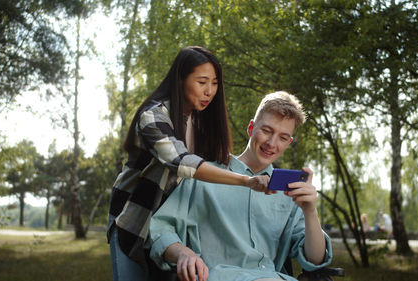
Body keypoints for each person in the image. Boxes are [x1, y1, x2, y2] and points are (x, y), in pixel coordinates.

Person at [107, 46, 270, 281]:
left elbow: (218, 167)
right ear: (180, 79)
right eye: (202, 82)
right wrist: (246, 181)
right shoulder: (153, 117)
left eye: (214, 83)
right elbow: (183, 163)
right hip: (134, 221)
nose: (210, 91)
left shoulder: (200, 122)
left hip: (171, 229)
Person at [149, 91, 333, 281]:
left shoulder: (290, 192)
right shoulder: (204, 176)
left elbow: (315, 260)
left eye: (283, 137)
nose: (272, 143)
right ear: (251, 128)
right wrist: (183, 254)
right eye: (267, 131)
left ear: (289, 142)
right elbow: (160, 229)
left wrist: (310, 211)